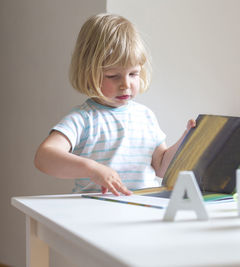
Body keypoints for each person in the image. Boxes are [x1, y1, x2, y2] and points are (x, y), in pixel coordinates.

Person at [34, 13, 195, 196]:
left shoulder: (146, 116)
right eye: (113, 76)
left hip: (143, 210)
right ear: (89, 74)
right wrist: (92, 168)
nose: (125, 84)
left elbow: (161, 167)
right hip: (96, 213)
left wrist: (185, 141)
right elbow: (44, 158)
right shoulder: (83, 119)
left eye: (133, 74)